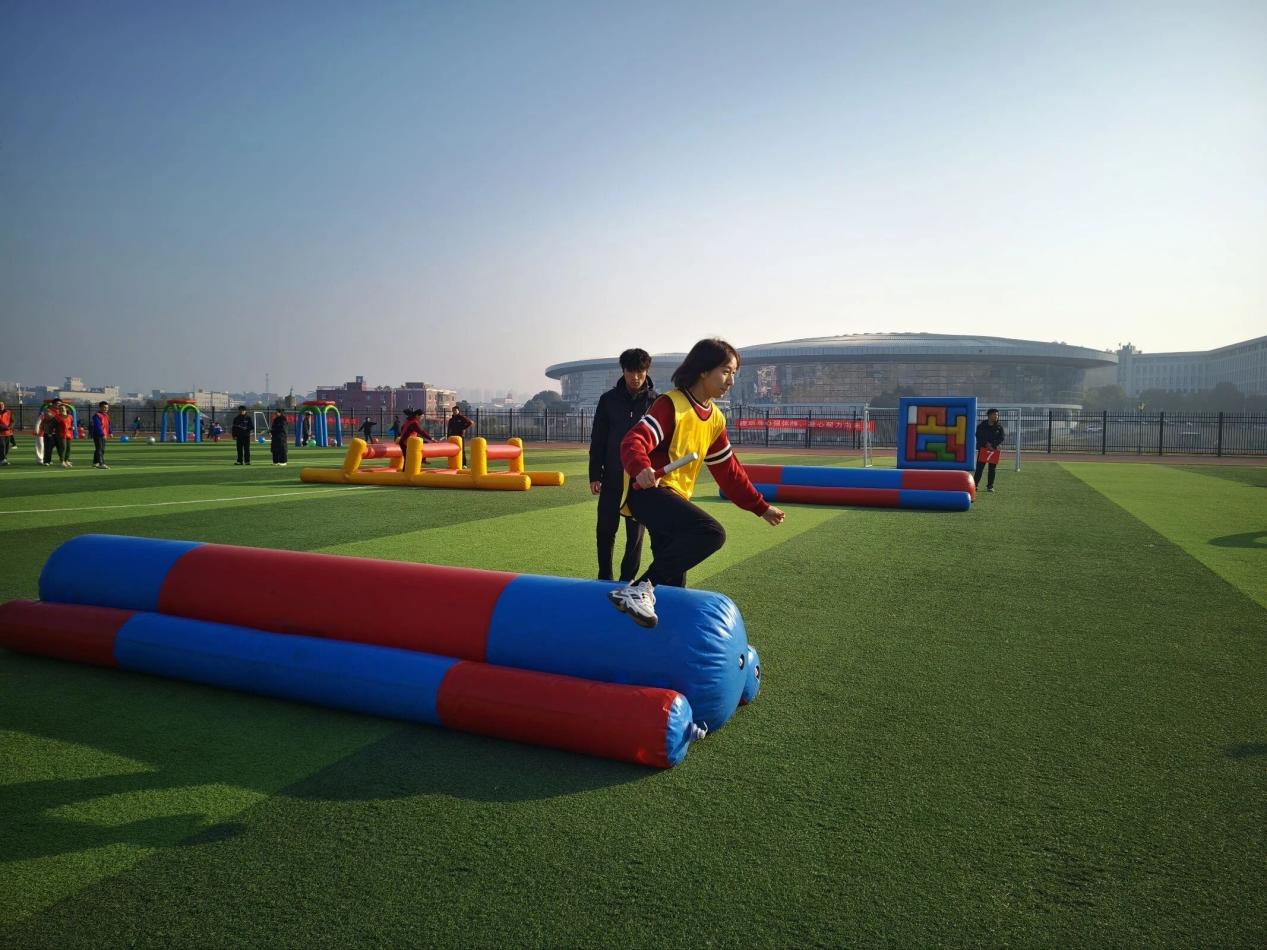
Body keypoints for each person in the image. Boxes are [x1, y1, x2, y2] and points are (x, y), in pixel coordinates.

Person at [609, 339, 785, 627]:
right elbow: (634, 440)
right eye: (725, 372)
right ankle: (638, 589)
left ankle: (652, 635)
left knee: (674, 582)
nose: (731, 381)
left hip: (675, 499)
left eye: (734, 374)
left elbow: (729, 472)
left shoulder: (715, 419)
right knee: (711, 533)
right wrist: (641, 467)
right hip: (650, 493)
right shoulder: (671, 404)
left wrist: (760, 507)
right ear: (703, 370)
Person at [589, 349, 657, 582]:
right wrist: (594, 474)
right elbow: (598, 439)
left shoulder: (656, 402)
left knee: (635, 537)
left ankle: (626, 581)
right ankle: (604, 578)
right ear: (623, 371)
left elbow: (661, 444)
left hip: (640, 481)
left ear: (647, 371)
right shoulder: (608, 400)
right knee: (605, 531)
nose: (635, 377)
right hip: (612, 477)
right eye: (630, 371)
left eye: (640, 371)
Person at [974, 408, 1006, 493]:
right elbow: (978, 435)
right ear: (989, 415)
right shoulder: (982, 425)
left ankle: (990, 486)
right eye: (994, 414)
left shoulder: (999, 426)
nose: (996, 416)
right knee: (979, 468)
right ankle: (975, 485)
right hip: (983, 449)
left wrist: (993, 445)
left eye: (997, 415)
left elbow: (1002, 437)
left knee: (992, 469)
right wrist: (986, 444)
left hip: (994, 450)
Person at [91, 401, 112, 469]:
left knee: (100, 449)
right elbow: (98, 426)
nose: (106, 409)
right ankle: (101, 463)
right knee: (100, 449)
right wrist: (102, 434)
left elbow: (108, 425)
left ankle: (95, 462)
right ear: (100, 407)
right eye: (104, 407)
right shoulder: (97, 415)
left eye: (107, 408)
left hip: (104, 435)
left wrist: (110, 432)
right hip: (98, 435)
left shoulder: (106, 415)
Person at [0, 400, 11, 466]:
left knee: (7, 447)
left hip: (7, 432)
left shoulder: (8, 412)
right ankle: (2, 459)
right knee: (2, 446)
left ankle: (4, 458)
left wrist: (10, 427)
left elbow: (12, 421)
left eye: (2, 405)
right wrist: (2, 427)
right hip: (0, 432)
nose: (1, 406)